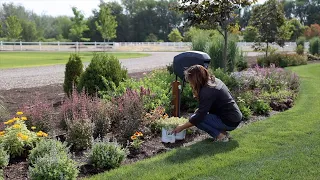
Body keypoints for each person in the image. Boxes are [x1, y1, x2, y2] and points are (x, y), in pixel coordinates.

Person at [172, 65, 242, 142]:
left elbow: (199, 117)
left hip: (229, 121)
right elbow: (205, 108)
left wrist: (182, 127)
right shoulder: (214, 81)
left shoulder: (206, 91)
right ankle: (223, 133)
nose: (190, 84)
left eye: (190, 81)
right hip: (235, 117)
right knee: (197, 115)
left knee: (197, 119)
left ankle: (221, 136)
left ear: (195, 80)